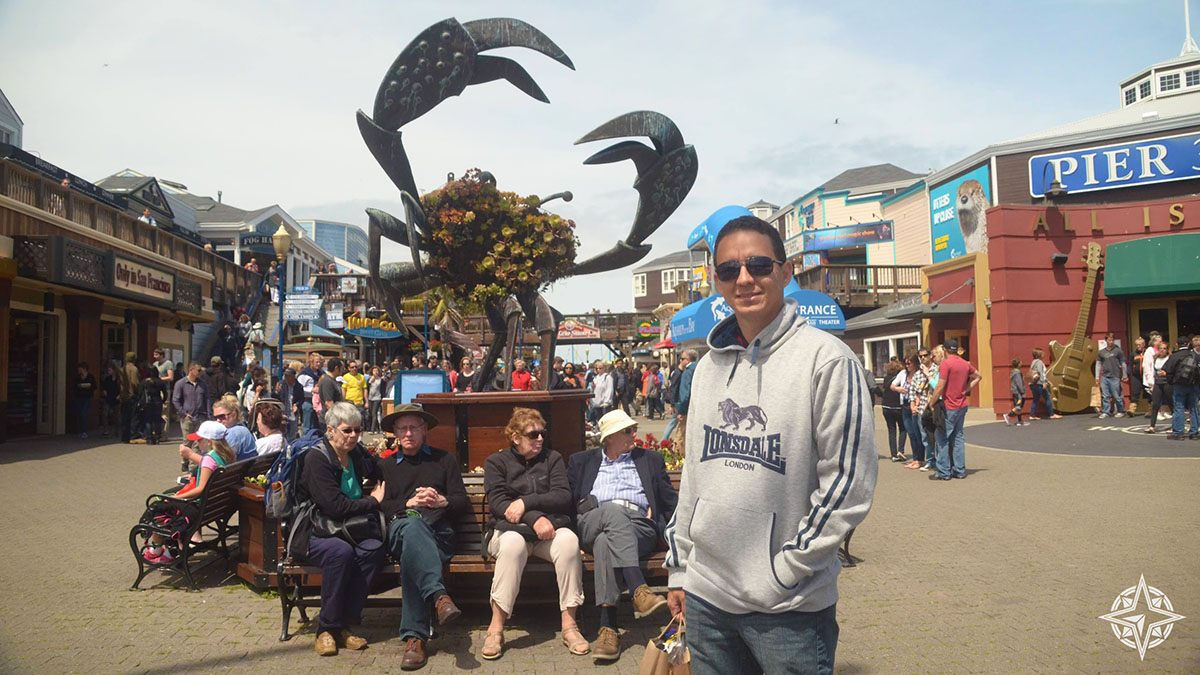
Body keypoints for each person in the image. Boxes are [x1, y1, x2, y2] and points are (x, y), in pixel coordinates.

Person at [664, 215, 877, 674]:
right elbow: (694, 478)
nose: (744, 279)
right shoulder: (705, 369)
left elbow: (847, 484)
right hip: (706, 600)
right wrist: (681, 566)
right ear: (716, 281)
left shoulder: (829, 361)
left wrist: (785, 570)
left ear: (785, 271)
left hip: (788, 611)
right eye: (728, 270)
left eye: (759, 265)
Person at [566, 409, 676, 661]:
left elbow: (670, 502)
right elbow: (568, 503)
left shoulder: (650, 459)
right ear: (610, 437)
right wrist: (572, 536)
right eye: (627, 430)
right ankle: (638, 587)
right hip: (593, 520)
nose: (633, 434)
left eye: (633, 428)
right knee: (612, 512)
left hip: (639, 525)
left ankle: (608, 628)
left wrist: (680, 535)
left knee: (606, 541)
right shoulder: (582, 461)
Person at [481, 408, 587, 660]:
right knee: (513, 546)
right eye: (533, 435)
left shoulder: (552, 459)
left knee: (569, 542)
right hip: (508, 531)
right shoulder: (496, 462)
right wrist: (534, 517)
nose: (540, 439)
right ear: (516, 437)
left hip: (546, 532)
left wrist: (527, 504)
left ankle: (569, 625)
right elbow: (498, 503)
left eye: (542, 434)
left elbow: (563, 495)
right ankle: (496, 628)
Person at [376, 404, 470, 670]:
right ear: (394, 432)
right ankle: (439, 596)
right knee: (413, 528)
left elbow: (461, 502)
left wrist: (442, 501)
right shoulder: (385, 465)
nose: (408, 433)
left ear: (424, 429)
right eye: (402, 428)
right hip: (400, 530)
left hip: (439, 534)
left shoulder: (443, 460)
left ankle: (415, 638)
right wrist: (407, 503)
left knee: (412, 555)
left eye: (414, 428)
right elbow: (378, 505)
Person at [294, 402, 387, 657]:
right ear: (330, 430)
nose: (354, 436)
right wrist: (372, 502)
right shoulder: (317, 459)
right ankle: (326, 629)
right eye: (347, 431)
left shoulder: (354, 453)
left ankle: (344, 625)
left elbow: (378, 469)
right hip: (315, 530)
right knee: (340, 553)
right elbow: (334, 506)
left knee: (373, 549)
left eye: (358, 430)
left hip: (346, 528)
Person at [141, 421, 237, 564]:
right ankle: (164, 550)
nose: (197, 443)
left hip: (198, 507)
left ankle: (159, 550)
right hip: (214, 507)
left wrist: (178, 496)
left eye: (199, 440)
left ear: (209, 441)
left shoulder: (208, 460)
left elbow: (200, 489)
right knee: (165, 501)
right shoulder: (226, 455)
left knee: (158, 506)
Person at [930, 338, 982, 480]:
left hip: (949, 405)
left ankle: (943, 472)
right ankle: (959, 470)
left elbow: (940, 386)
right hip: (962, 404)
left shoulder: (946, 364)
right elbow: (978, 376)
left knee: (942, 437)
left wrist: (932, 402)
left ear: (945, 350)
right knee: (958, 437)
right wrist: (965, 390)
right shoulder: (964, 364)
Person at [1163, 335, 1200, 440]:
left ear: (1177, 345)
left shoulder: (1174, 356)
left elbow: (1168, 371)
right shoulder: (1194, 355)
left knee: (1179, 408)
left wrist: (1172, 382)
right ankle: (1194, 432)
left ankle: (1178, 432)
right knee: (1194, 408)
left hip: (1179, 385)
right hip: (1193, 385)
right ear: (1188, 344)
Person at [902, 352, 931, 470]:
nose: (907, 365)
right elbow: (893, 385)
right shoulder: (904, 374)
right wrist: (898, 388)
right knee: (912, 434)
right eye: (906, 363)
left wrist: (916, 405)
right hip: (907, 406)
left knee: (921, 435)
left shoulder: (923, 373)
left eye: (910, 363)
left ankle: (922, 459)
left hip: (923, 407)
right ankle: (916, 459)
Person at [173, 362, 210, 448]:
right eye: (198, 370)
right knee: (187, 442)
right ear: (191, 370)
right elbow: (175, 400)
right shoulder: (181, 383)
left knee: (198, 442)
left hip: (200, 416)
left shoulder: (203, 384)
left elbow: (207, 399)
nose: (201, 372)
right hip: (188, 417)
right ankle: (185, 461)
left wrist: (208, 414)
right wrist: (183, 413)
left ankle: (194, 461)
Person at [671, 350, 698, 453]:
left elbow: (685, 394)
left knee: (681, 434)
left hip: (688, 408)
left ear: (687, 360)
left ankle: (678, 456)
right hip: (699, 408)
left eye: (682, 359)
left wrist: (681, 411)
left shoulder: (688, 372)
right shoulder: (701, 368)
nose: (680, 361)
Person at [1095, 333, 1128, 418]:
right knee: (1105, 396)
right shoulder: (1101, 352)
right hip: (1105, 377)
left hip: (1115, 376)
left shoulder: (1118, 351)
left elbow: (1123, 363)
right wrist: (1097, 377)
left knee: (1117, 395)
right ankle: (1106, 412)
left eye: (1112, 340)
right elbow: (1098, 364)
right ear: (1106, 340)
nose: (1111, 342)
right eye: (1109, 340)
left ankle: (1121, 410)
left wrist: (1124, 375)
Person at [882, 357, 908, 462]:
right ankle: (900, 451)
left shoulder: (886, 379)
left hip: (886, 407)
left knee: (891, 430)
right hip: (898, 407)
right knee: (903, 428)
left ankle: (893, 454)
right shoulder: (900, 379)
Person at [1028, 347, 1060, 420]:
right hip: (1040, 384)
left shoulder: (1033, 362)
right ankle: (1052, 414)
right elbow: (1041, 374)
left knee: (1035, 399)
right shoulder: (1039, 362)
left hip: (1033, 384)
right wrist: (1045, 383)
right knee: (1047, 398)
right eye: (1042, 353)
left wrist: (1048, 381)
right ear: (1040, 354)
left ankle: (1032, 415)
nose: (1044, 354)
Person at [152, 348, 175, 441]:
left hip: (165, 390)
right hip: (155, 390)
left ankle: (164, 435)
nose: (154, 356)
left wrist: (160, 379)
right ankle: (155, 433)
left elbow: (171, 377)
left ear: (161, 355)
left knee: (164, 412)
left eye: (156, 354)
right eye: (154, 354)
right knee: (155, 412)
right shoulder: (154, 364)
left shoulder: (168, 363)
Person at [275, 366, 305, 440]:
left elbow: (302, 399)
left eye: (288, 376)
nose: (286, 378)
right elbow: (275, 398)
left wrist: (297, 405)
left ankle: (290, 448)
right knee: (282, 432)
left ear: (293, 377)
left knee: (292, 434)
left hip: (292, 414)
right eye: (285, 376)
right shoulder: (281, 385)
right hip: (283, 413)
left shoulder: (298, 386)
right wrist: (276, 392)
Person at [299, 353, 325, 434]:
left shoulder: (322, 373)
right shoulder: (304, 374)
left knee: (318, 425)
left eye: (320, 362)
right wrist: (312, 390)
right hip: (308, 401)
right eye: (316, 362)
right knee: (308, 425)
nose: (318, 364)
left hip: (319, 402)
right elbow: (299, 388)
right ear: (311, 362)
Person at [318, 358, 346, 427]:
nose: (343, 370)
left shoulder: (333, 381)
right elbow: (328, 403)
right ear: (336, 368)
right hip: (329, 420)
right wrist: (336, 418)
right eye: (342, 368)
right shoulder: (327, 382)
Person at [120, 352, 140, 443]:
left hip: (123, 396)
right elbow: (134, 382)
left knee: (124, 417)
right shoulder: (134, 369)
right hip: (132, 395)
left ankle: (124, 436)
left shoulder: (122, 369)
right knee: (133, 417)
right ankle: (133, 435)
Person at [73, 362, 96, 439]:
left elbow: (94, 386)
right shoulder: (77, 378)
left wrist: (86, 386)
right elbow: (75, 387)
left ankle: (84, 431)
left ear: (84, 369)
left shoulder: (90, 377)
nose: (79, 370)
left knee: (83, 413)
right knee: (79, 413)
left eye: (80, 369)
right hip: (79, 398)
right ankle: (79, 430)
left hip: (87, 398)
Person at [1005, 358, 1028, 426]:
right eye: (1020, 362)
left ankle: (1020, 420)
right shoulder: (1017, 373)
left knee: (1018, 406)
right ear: (1018, 364)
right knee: (1018, 406)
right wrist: (1023, 391)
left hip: (1015, 391)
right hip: (1018, 392)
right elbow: (1019, 383)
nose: (1021, 363)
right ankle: (1008, 415)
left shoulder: (1013, 372)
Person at [100, 362, 121, 437]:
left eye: (110, 370)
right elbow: (104, 387)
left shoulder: (119, 379)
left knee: (117, 416)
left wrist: (119, 395)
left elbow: (122, 388)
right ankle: (106, 430)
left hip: (116, 398)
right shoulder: (107, 379)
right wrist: (104, 391)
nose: (109, 372)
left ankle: (117, 430)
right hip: (108, 398)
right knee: (105, 414)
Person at [1129, 336, 1147, 415]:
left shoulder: (1147, 353)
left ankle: (1151, 410)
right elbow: (1130, 364)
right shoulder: (1133, 354)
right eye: (1137, 345)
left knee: (1148, 393)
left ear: (1144, 344)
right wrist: (1128, 373)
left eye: (1140, 345)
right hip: (1136, 376)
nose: (1138, 346)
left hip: (1146, 376)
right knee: (1135, 392)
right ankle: (1132, 409)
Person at [366, 366, 385, 433]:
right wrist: (370, 382)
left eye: (377, 371)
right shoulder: (369, 379)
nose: (376, 372)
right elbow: (367, 388)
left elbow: (383, 389)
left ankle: (372, 429)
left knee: (374, 413)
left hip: (377, 397)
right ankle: (377, 429)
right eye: (374, 371)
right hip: (370, 398)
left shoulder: (381, 380)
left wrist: (382, 398)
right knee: (371, 413)